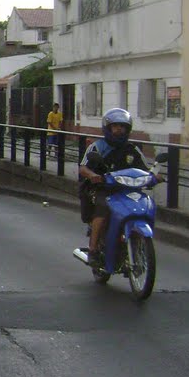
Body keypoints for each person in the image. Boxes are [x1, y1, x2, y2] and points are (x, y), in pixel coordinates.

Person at [78, 107, 149, 265]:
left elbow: (146, 169)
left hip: (127, 190)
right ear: (108, 128)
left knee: (143, 206)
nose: (119, 129)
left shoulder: (132, 149)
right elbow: (83, 167)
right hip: (103, 189)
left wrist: (155, 176)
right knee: (102, 211)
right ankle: (93, 250)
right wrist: (93, 175)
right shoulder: (98, 146)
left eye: (122, 126)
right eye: (115, 126)